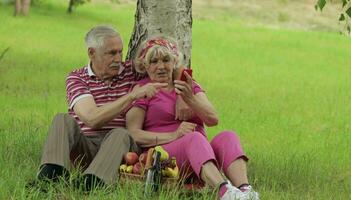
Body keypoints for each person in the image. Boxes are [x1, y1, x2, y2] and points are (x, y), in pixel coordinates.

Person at [29, 25, 176, 191]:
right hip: (86, 145)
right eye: (112, 53)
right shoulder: (77, 78)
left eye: (120, 52)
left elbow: (167, 66)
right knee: (62, 119)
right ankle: (50, 178)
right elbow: (92, 119)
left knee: (121, 133)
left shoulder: (131, 71)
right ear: (92, 53)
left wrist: (185, 94)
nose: (119, 58)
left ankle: (91, 184)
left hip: (120, 149)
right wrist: (132, 96)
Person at [126, 37, 259, 200]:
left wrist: (190, 99)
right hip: (165, 157)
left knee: (228, 136)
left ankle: (245, 191)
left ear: (174, 61)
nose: (161, 66)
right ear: (145, 65)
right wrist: (174, 135)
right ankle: (224, 192)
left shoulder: (186, 84)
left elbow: (213, 119)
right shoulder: (143, 90)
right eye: (154, 61)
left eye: (166, 60)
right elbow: (133, 134)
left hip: (201, 154)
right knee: (193, 138)